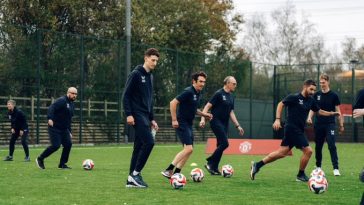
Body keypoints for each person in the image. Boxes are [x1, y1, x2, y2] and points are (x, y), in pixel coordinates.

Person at [250, 79, 340, 182]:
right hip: (292, 128)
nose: (312, 92)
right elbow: (281, 104)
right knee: (308, 151)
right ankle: (300, 175)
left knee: (281, 153)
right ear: (305, 87)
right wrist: (277, 119)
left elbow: (319, 111)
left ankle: (257, 165)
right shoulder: (294, 97)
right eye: (311, 89)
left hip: (298, 130)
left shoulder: (311, 100)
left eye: (314, 90)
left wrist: (331, 114)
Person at [161, 71, 212, 179]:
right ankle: (169, 170)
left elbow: (193, 109)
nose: (202, 84)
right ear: (194, 81)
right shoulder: (188, 91)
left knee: (189, 149)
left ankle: (176, 173)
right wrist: (174, 120)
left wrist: (204, 114)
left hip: (189, 123)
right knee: (188, 149)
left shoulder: (198, 93)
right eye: (200, 81)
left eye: (204, 82)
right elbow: (173, 103)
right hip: (182, 122)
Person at [123, 48, 160, 188]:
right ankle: (136, 174)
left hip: (145, 116)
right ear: (146, 58)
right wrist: (129, 114)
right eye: (153, 60)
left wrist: (152, 119)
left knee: (138, 147)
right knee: (149, 142)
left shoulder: (150, 76)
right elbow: (126, 96)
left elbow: (149, 100)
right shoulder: (136, 74)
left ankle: (130, 179)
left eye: (157, 61)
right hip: (137, 115)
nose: (155, 63)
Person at [200, 76, 244, 175]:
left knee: (220, 145)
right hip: (215, 121)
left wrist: (238, 126)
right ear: (227, 83)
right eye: (234, 84)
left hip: (225, 124)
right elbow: (207, 106)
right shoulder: (218, 94)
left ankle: (214, 168)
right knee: (225, 143)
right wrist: (203, 119)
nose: (235, 86)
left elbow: (231, 112)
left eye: (236, 84)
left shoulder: (232, 96)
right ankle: (210, 162)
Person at [307, 74, 344, 176]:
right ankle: (318, 167)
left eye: (323, 82)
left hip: (330, 124)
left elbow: (338, 111)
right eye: (320, 83)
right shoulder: (316, 95)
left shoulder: (334, 95)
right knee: (318, 146)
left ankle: (335, 168)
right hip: (318, 124)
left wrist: (341, 125)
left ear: (328, 82)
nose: (322, 84)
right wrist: (309, 117)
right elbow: (312, 108)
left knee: (331, 145)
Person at [35, 87, 77, 170]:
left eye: (76, 94)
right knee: (56, 145)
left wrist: (69, 131)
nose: (74, 95)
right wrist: (50, 118)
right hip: (55, 127)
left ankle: (62, 164)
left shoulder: (72, 104)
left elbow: (68, 119)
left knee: (68, 144)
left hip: (64, 129)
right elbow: (52, 107)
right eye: (73, 93)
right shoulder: (62, 100)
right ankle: (40, 158)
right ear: (68, 93)